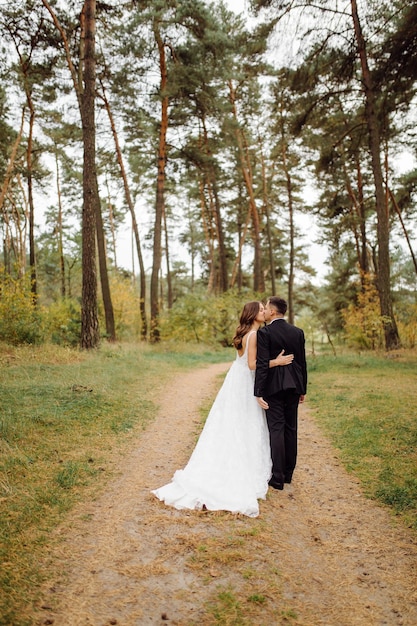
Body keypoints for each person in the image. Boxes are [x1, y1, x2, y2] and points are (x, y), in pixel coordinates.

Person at [151, 301, 294, 518]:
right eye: (261, 309)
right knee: (246, 421)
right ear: (254, 314)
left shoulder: (245, 332)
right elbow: (253, 365)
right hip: (245, 381)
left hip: (234, 380)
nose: (264, 311)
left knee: (232, 421)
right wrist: (278, 361)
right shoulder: (254, 335)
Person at [254, 297, 307, 491]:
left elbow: (261, 365)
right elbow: (302, 363)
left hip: (273, 388)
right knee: (291, 428)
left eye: (266, 308)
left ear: (273, 312)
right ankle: (288, 474)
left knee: (276, 429)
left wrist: (258, 392)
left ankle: (277, 478)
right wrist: (303, 389)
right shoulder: (297, 332)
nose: (265, 311)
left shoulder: (265, 333)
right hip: (294, 386)